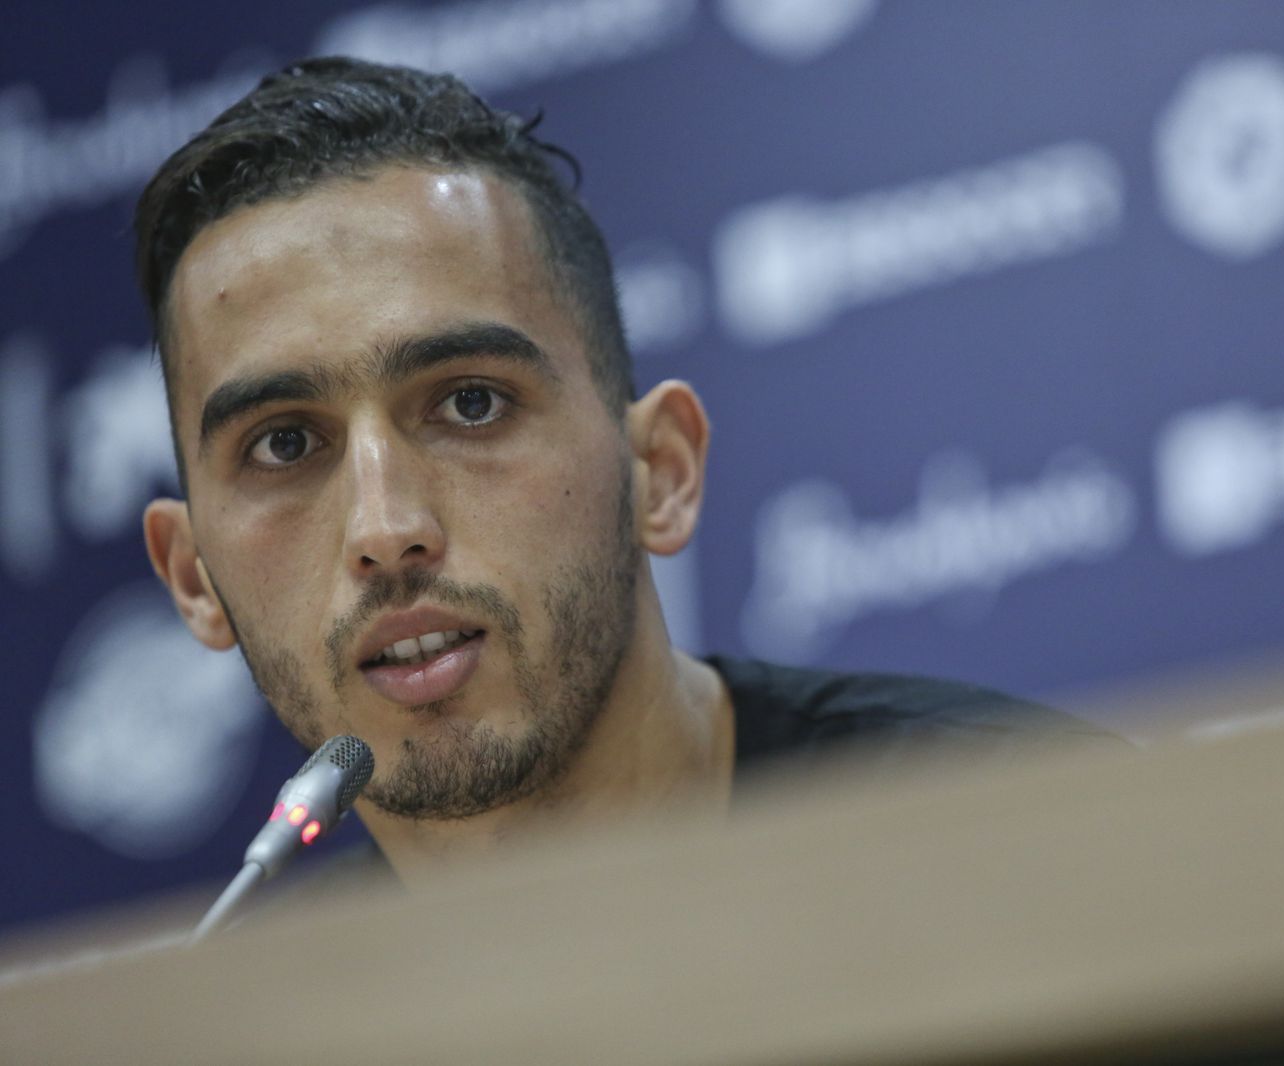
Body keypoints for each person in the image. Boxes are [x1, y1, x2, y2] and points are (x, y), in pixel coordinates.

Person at [136, 57, 1115, 888]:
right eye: (285, 444)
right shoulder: (262, 1023)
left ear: (662, 470)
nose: (385, 529)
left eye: (469, 402)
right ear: (193, 578)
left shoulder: (1031, 846)